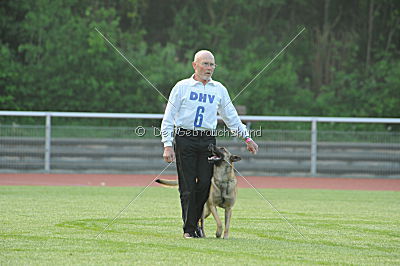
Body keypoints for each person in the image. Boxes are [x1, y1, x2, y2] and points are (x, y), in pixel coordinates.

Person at [161, 50, 258, 239]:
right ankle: (189, 229)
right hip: (185, 138)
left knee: (205, 184)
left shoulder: (219, 89)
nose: (209, 68)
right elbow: (168, 118)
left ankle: (195, 222)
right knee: (187, 186)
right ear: (194, 65)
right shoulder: (182, 87)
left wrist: (247, 138)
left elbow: (231, 117)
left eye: (212, 64)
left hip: (207, 141)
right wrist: (167, 144)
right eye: (205, 64)